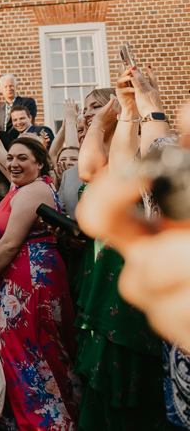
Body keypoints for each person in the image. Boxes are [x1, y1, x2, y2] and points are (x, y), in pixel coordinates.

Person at [73, 72, 176, 431]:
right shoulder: (115, 152)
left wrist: (141, 109)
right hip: (102, 274)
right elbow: (91, 169)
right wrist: (127, 111)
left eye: (96, 108)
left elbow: (149, 155)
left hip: (130, 275)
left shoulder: (147, 157)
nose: (89, 115)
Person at [0, 135, 81, 431]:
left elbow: (9, 244)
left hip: (30, 279)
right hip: (20, 277)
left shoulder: (34, 191)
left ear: (40, 164)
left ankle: (46, 420)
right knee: (24, 347)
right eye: (11, 158)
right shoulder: (20, 184)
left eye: (22, 158)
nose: (13, 163)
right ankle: (26, 416)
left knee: (28, 349)